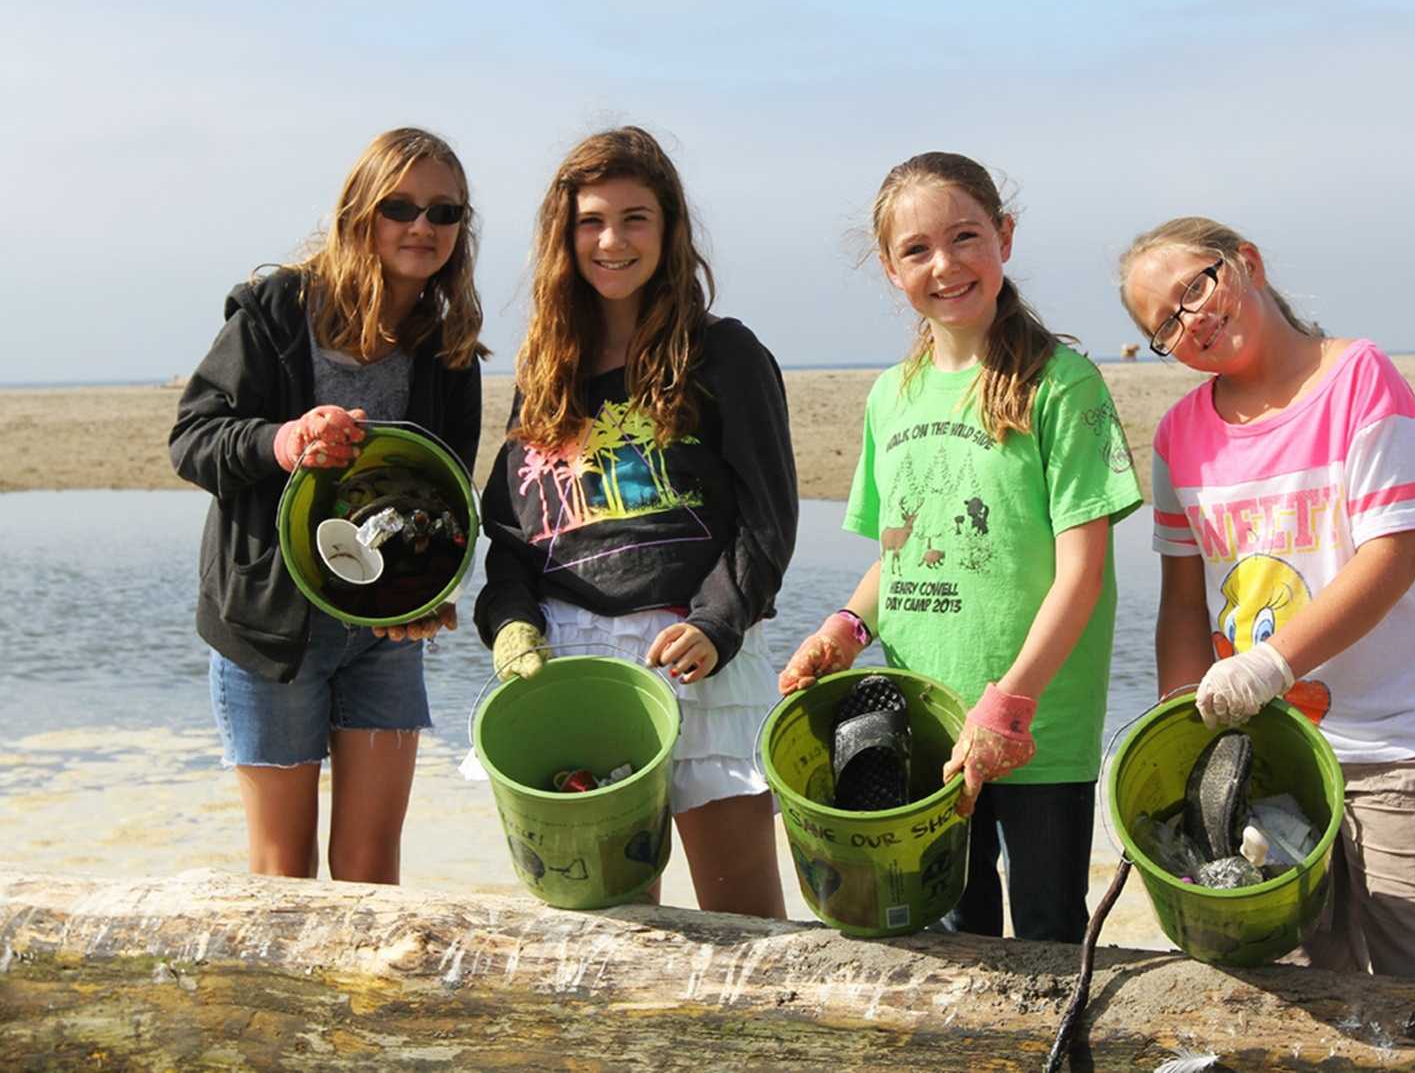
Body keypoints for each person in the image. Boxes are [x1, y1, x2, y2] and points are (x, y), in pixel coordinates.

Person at [779, 152, 1143, 943]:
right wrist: (842, 629)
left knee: (1047, 929)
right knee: (946, 932)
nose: (944, 265)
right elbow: (901, 551)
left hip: (1036, 727)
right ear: (889, 269)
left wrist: (1009, 705)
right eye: (917, 250)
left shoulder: (1064, 385)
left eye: (965, 236)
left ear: (1004, 238)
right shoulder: (890, 395)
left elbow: (1082, 575)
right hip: (925, 720)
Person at [1116, 216, 1415, 988]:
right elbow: (1183, 605)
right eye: (1165, 324)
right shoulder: (1179, 436)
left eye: (1196, 287)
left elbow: (1394, 555)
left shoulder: (1359, 379)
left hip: (1398, 751)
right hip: (1266, 754)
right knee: (1292, 989)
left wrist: (1269, 664)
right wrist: (1183, 733)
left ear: (1244, 262)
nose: (1192, 320)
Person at [474, 125, 795, 918]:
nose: (611, 240)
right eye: (591, 221)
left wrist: (720, 622)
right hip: (572, 665)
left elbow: (767, 517)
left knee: (744, 918)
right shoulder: (546, 374)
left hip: (693, 655)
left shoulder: (724, 355)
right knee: (604, 925)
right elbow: (513, 536)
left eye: (635, 217)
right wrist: (511, 624)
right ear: (564, 236)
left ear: (670, 228)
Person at [169, 126, 487, 884]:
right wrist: (285, 442)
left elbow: (445, 507)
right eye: (400, 206)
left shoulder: (448, 350)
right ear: (359, 214)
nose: (422, 226)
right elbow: (193, 438)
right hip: (269, 631)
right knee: (282, 874)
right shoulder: (277, 311)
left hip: (383, 634)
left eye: (445, 213)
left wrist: (433, 594)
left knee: (372, 872)